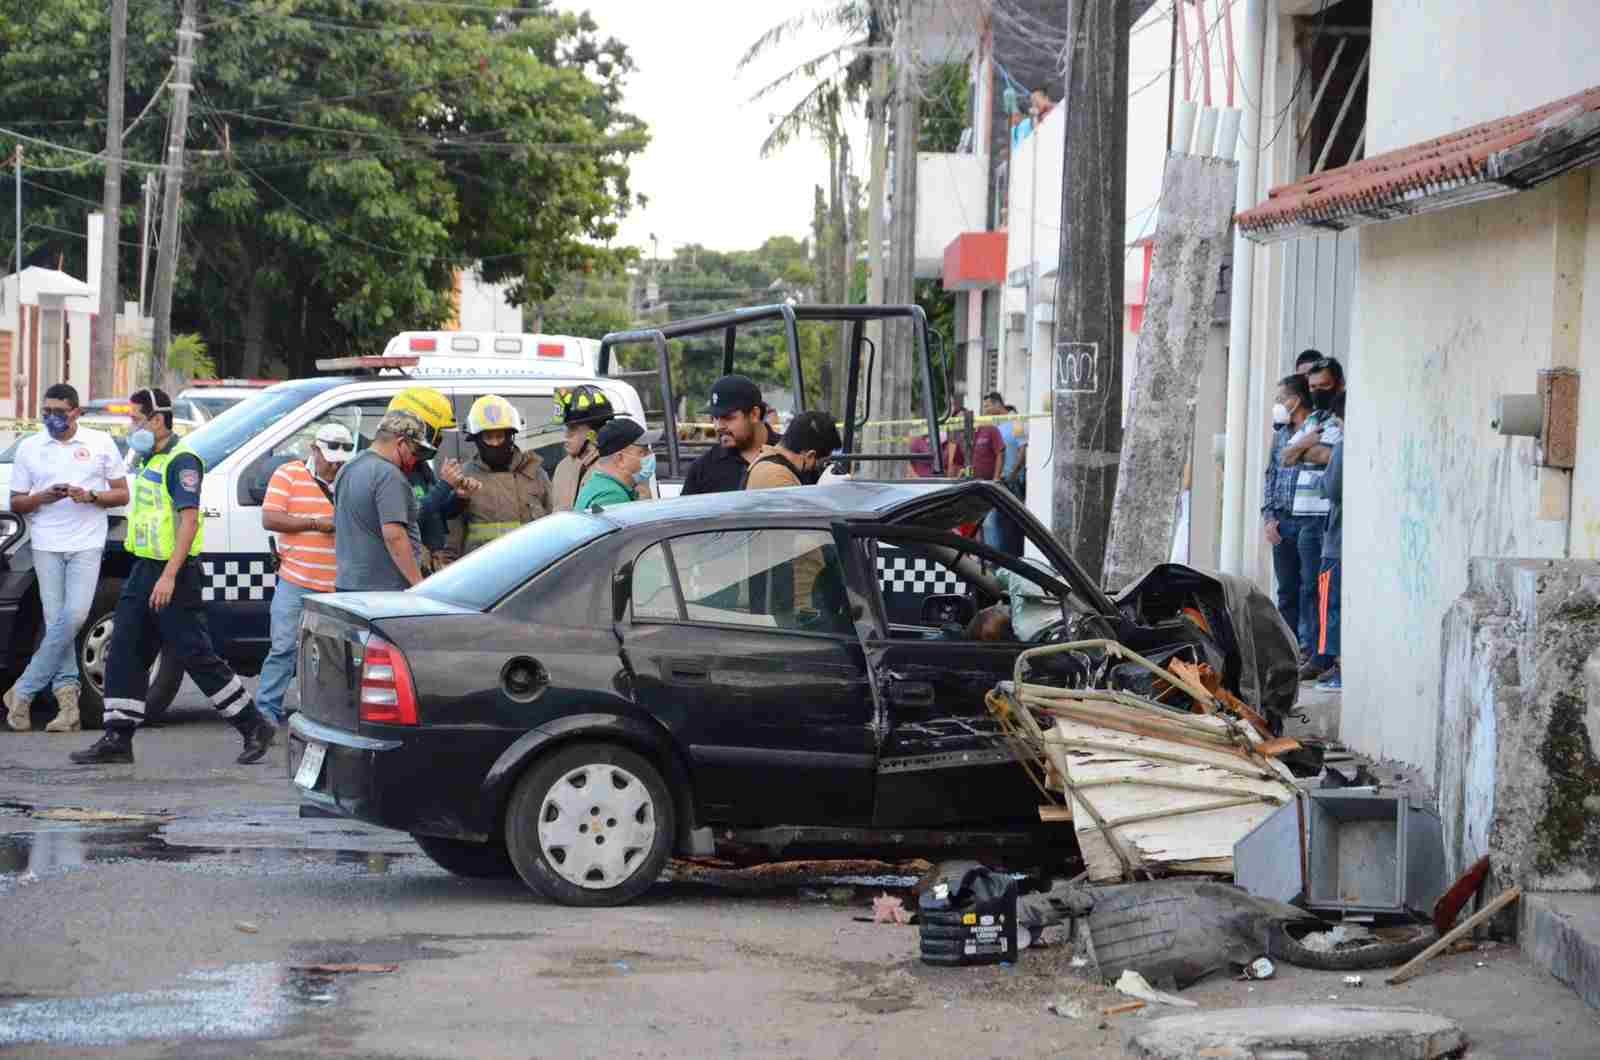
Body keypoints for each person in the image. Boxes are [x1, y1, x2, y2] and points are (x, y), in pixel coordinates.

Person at [70, 389, 277, 765]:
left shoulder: (182, 460)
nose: (132, 427)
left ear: (158, 420)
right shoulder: (152, 458)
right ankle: (118, 737)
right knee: (125, 649)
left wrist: (168, 576)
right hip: (144, 569)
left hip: (173, 574)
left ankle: (254, 725)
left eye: (136, 419)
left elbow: (189, 520)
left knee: (195, 653)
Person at [4, 384, 128, 733]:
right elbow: (17, 502)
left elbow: (121, 493)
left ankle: (23, 690)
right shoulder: (31, 447)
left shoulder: (100, 443)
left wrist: (90, 496)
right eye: (46, 412)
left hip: (87, 542)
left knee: (72, 617)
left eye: (59, 412)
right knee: (56, 620)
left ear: (76, 412)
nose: (52, 419)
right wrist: (43, 496)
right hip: (46, 544)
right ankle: (68, 705)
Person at [255, 423, 353, 726]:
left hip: (337, 587)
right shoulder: (288, 474)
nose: (334, 464)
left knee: (335, 659)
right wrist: (315, 523)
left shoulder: (350, 478)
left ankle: (329, 719)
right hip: (295, 581)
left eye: (340, 460)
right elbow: (270, 518)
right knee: (283, 649)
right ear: (314, 449)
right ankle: (264, 718)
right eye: (329, 457)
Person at [1281, 369, 1343, 682]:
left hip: (1325, 517)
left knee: (1325, 592)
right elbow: (1286, 457)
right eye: (1313, 386)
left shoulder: (1337, 421)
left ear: (1338, 386)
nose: (1318, 391)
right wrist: (1306, 443)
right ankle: (1311, 650)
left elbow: (1332, 457)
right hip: (1304, 517)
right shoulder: (1311, 422)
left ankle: (1326, 656)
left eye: (1324, 386)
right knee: (1307, 589)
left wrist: (1305, 450)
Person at [334, 409, 436, 592]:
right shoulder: (388, 475)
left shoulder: (347, 468)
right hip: (383, 591)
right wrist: (418, 585)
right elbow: (394, 535)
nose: (415, 460)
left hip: (347, 585)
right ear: (401, 442)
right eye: (415, 451)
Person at [445, 395, 552, 557]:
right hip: (484, 573)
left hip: (531, 568)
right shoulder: (465, 478)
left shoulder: (535, 474)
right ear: (477, 440)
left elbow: (554, 526)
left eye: (500, 436)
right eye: (488, 438)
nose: (495, 444)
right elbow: (452, 537)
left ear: (510, 437)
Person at [1262, 373, 1316, 659]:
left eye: (1283, 398)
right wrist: (1269, 517)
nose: (1279, 404)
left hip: (1308, 520)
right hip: (1282, 521)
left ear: (1297, 399)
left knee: (1309, 587)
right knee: (1287, 591)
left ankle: (1309, 647)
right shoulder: (1280, 434)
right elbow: (1270, 475)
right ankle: (1289, 647)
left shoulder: (1315, 429)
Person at [382, 387, 465, 572]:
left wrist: (460, 497)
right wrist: (444, 485)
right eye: (438, 434)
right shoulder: (391, 471)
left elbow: (438, 513)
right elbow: (409, 517)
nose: (440, 440)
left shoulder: (420, 466)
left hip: (431, 562)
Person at [680, 374, 775, 495]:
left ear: (754, 414)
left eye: (728, 417)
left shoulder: (792, 455)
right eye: (715, 418)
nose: (719, 426)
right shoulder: (702, 470)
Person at [550, 384, 615, 511]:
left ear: (593, 431)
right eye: (565, 428)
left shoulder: (613, 466)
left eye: (573, 429)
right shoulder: (562, 468)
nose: (566, 436)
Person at [574, 419, 661, 512]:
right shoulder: (613, 497)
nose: (650, 455)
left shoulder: (601, 485)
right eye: (643, 452)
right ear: (620, 459)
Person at [743, 410, 843, 489]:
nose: (818, 468)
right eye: (820, 463)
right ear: (810, 456)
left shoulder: (769, 463)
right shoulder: (778, 477)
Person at [1315, 439, 1343, 692]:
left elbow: (1331, 488)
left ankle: (1337, 665)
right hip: (1346, 544)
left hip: (1336, 543)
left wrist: (1321, 480)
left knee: (1330, 606)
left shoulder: (1344, 444)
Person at [978, 392, 1021, 553]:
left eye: (988, 406)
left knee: (1005, 522)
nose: (986, 410)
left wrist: (1013, 473)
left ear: (998, 404)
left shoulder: (1015, 421)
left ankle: (999, 559)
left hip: (1011, 480)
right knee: (994, 522)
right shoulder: (993, 426)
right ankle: (995, 558)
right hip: (997, 480)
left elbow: (1023, 448)